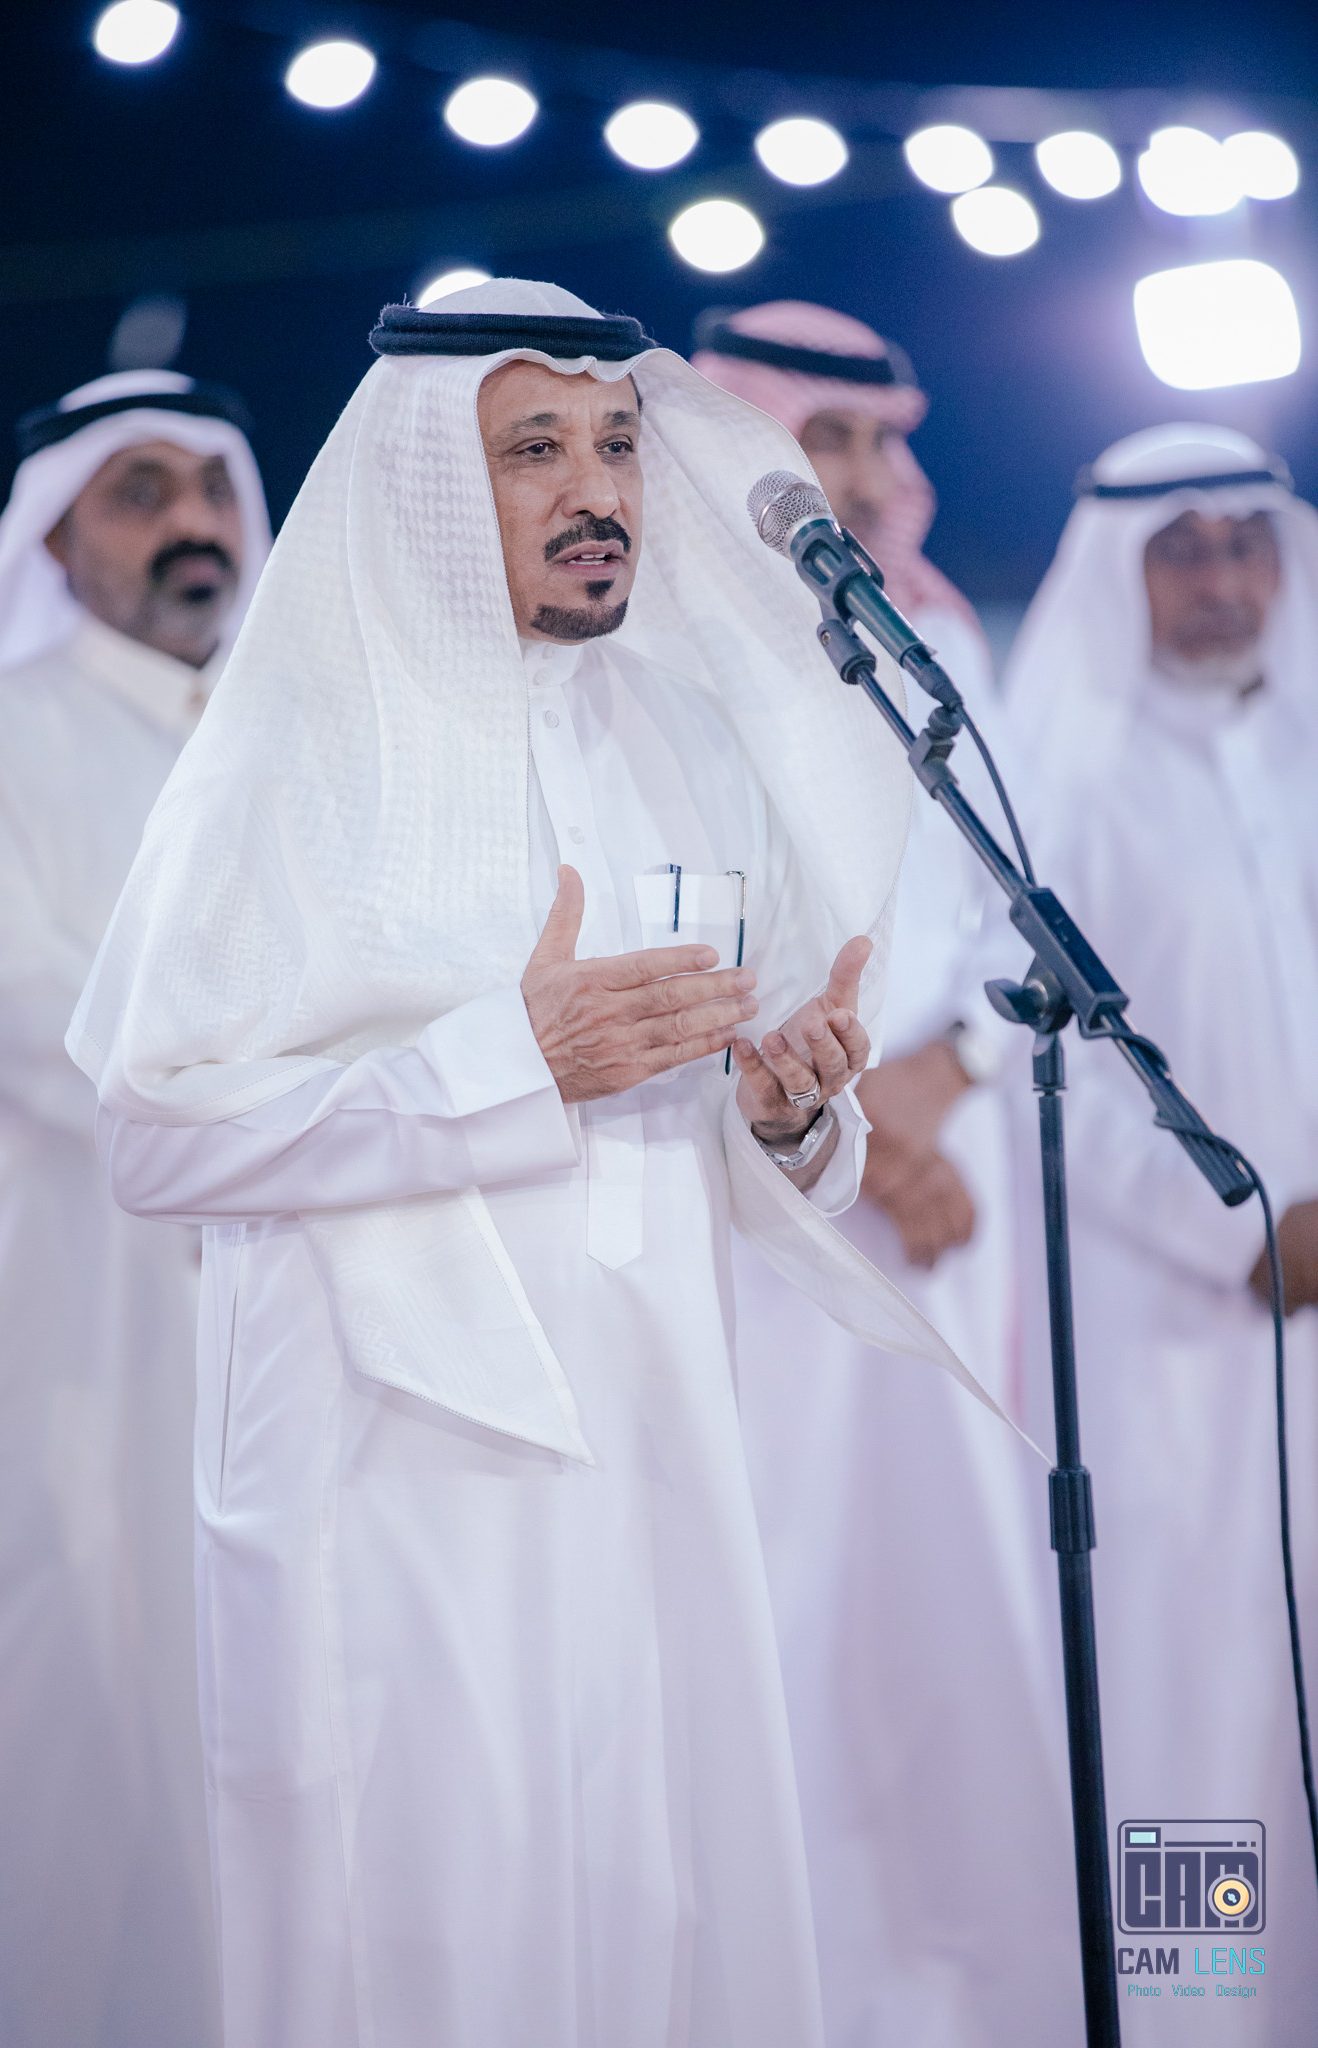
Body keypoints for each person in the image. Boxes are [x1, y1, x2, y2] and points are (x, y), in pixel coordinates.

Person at [64, 278, 1011, 2048]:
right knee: (434, 1943)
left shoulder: (677, 733)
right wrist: (511, 1064)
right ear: (432, 484)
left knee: (661, 1917)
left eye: (619, 445)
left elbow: (716, 1119)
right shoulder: (295, 749)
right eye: (534, 451)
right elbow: (152, 1134)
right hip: (391, 1463)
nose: (598, 491)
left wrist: (788, 1116)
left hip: (661, 1433)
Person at [693, 302, 1077, 2043]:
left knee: (944, 1617)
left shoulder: (934, 640)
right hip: (753, 1201)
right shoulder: (669, 635)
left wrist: (940, 1081)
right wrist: (851, 1119)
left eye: (874, 443)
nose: (857, 480)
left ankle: (958, 1998)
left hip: (940, 1188)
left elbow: (1021, 906)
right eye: (819, 441)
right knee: (772, 1603)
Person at [0, 368, 270, 2048]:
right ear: (53, 535)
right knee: (69, 1699)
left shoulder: (291, 742)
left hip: (288, 1296)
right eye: (141, 494)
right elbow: (5, 998)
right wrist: (275, 1127)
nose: (193, 526)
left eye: (210, 489)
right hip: (72, 1300)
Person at [1004, 423, 1318, 2044]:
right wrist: (1242, 1229)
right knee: (1189, 1694)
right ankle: (1197, 2014)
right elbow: (1036, 1071)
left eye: (1243, 543)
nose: (1219, 581)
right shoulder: (1064, 778)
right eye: (1178, 551)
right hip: (1172, 1328)